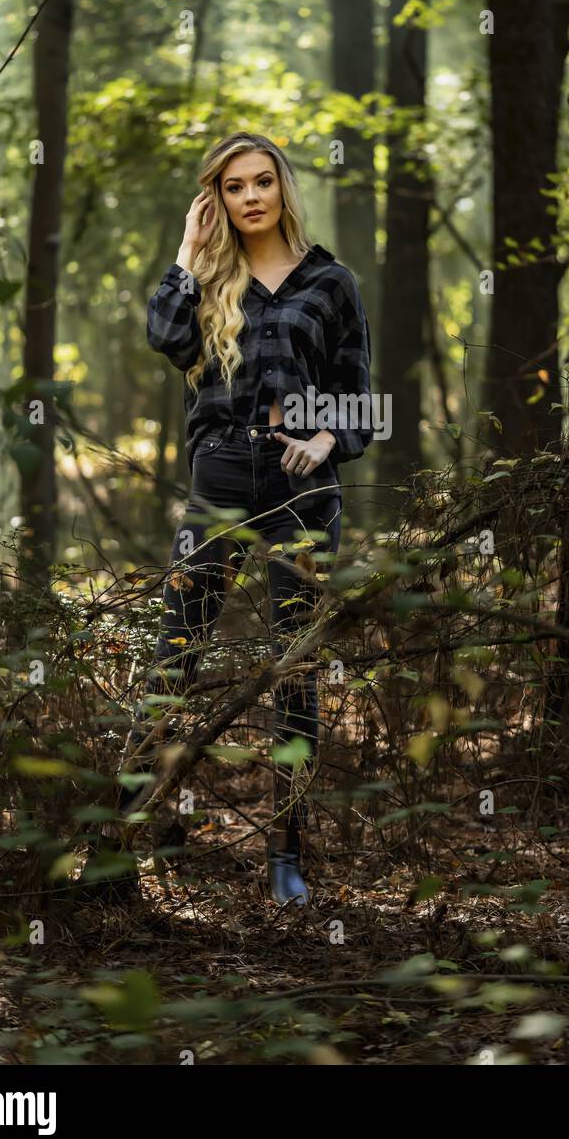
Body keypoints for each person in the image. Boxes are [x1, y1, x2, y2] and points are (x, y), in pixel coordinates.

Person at [96, 132, 373, 908]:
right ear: (215, 198)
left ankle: (285, 853)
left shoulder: (332, 283)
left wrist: (327, 437)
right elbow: (165, 337)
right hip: (219, 472)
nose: (249, 197)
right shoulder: (208, 275)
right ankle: (126, 836)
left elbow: (360, 395)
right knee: (175, 648)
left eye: (261, 182)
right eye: (231, 187)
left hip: (303, 485)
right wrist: (187, 251)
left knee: (297, 663)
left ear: (283, 187)